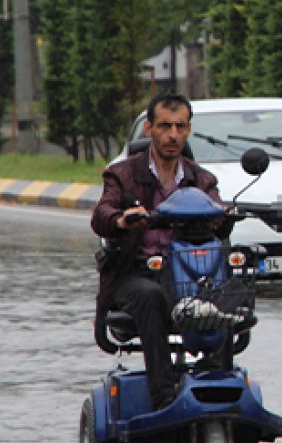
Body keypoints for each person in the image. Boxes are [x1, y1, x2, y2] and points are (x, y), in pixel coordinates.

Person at [91, 92, 231, 410]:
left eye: (180, 127)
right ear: (149, 129)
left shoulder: (201, 179)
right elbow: (102, 216)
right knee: (150, 295)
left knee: (223, 292)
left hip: (188, 275)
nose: (172, 134)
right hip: (136, 274)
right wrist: (122, 219)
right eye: (165, 126)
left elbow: (219, 213)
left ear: (188, 131)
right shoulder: (122, 175)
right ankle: (164, 395)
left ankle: (219, 385)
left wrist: (220, 217)